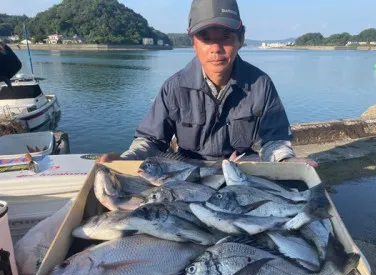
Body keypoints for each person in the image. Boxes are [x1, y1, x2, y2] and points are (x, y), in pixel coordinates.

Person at [100, 0, 317, 167]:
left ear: (241, 39)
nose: (216, 48)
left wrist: (285, 162)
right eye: (205, 38)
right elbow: (151, 141)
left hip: (243, 171)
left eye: (226, 37)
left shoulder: (260, 85)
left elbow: (274, 140)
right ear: (193, 42)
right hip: (186, 172)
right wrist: (124, 160)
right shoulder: (174, 88)